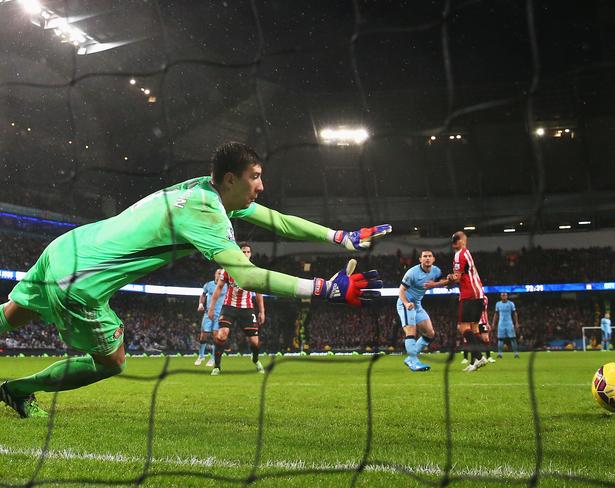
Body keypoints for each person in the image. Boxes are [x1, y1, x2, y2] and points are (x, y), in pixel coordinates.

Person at [0, 141, 388, 418]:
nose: (261, 186)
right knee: (112, 362)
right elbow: (246, 275)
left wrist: (338, 237)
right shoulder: (206, 213)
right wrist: (322, 288)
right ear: (232, 179)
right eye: (255, 177)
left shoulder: (201, 188)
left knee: (14, 314)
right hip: (81, 280)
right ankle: (18, 390)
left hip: (65, 248)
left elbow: (279, 220)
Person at [207, 242, 265, 375]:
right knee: (221, 336)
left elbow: (258, 292)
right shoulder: (228, 268)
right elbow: (219, 288)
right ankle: (217, 366)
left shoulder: (254, 270)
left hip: (247, 308)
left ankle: (255, 359)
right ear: (238, 253)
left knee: (255, 343)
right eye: (243, 251)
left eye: (247, 252)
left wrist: (262, 311)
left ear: (251, 254)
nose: (245, 254)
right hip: (229, 307)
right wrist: (211, 308)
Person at [396, 249, 448, 372]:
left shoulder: (436, 271)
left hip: (418, 304)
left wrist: (448, 280)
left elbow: (444, 282)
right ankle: (414, 362)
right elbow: (401, 290)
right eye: (424, 256)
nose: (427, 258)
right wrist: (406, 303)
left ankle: (410, 358)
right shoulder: (412, 273)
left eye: (430, 256)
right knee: (411, 331)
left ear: (433, 259)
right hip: (406, 304)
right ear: (420, 259)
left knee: (430, 333)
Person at [447, 231, 486, 372]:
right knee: (474, 329)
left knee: (463, 328)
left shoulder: (459, 255)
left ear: (459, 242)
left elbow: (457, 278)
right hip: (478, 293)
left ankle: (480, 357)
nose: (464, 242)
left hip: (469, 294)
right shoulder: (467, 252)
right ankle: (475, 361)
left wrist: (448, 278)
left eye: (459, 240)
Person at [195, 268, 227, 367]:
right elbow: (203, 295)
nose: (220, 275)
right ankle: (201, 356)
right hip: (208, 313)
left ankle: (213, 358)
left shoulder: (226, 286)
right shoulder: (208, 285)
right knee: (203, 335)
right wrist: (200, 304)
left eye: (221, 273)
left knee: (216, 336)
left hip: (219, 314)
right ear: (215, 274)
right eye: (218, 273)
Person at [493, 292, 520, 359]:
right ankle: (500, 354)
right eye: (502, 295)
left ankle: (516, 354)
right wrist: (493, 323)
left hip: (509, 323)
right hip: (501, 324)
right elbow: (496, 314)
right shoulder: (498, 304)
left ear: (507, 296)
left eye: (505, 295)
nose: (504, 296)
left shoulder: (511, 304)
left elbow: (514, 313)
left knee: (513, 339)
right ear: (500, 296)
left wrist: (516, 323)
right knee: (500, 339)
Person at [478, 296, 495, 363]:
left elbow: (485, 311)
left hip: (483, 322)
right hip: (474, 322)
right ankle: (477, 358)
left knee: (486, 339)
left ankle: (489, 357)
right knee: (475, 340)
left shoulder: (485, 298)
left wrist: (487, 323)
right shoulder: (472, 298)